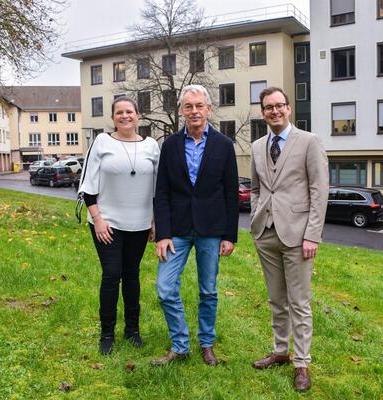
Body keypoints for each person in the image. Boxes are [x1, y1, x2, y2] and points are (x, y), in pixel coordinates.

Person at [151, 84, 239, 366]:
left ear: (209, 109)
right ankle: (180, 344)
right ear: (181, 111)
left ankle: (207, 344)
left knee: (208, 291)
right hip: (176, 229)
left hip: (211, 230)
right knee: (165, 288)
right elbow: (161, 192)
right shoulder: (170, 145)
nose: (194, 111)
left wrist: (230, 235)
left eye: (199, 105)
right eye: (188, 106)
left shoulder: (224, 146)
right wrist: (162, 233)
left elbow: (230, 193)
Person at [249, 87, 329, 391]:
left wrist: (312, 235)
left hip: (298, 236)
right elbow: (257, 189)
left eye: (279, 105)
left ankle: (302, 363)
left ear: (289, 108)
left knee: (299, 301)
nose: (275, 111)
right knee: (276, 299)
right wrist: (257, 217)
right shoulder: (258, 146)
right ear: (263, 112)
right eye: (268, 107)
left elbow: (319, 192)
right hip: (266, 233)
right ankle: (280, 351)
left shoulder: (309, 142)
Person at [79, 96, 160, 355]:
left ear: (138, 115)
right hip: (107, 223)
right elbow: (88, 184)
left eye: (129, 112)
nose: (124, 116)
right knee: (112, 275)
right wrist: (98, 219)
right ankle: (107, 334)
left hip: (140, 223)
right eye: (119, 113)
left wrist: (155, 220)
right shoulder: (102, 142)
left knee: (132, 275)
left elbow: (159, 188)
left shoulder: (151, 146)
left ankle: (133, 330)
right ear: (113, 118)